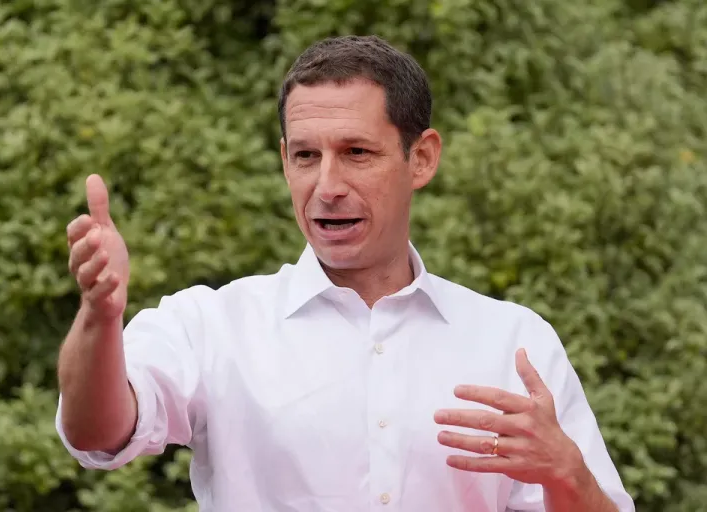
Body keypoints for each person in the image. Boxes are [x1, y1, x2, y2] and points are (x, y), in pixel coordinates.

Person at [56, 35, 635, 511]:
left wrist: (568, 476)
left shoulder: (513, 342)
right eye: (306, 156)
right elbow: (97, 433)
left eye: (356, 152)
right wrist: (99, 319)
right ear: (285, 160)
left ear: (422, 158)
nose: (327, 187)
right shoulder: (213, 325)